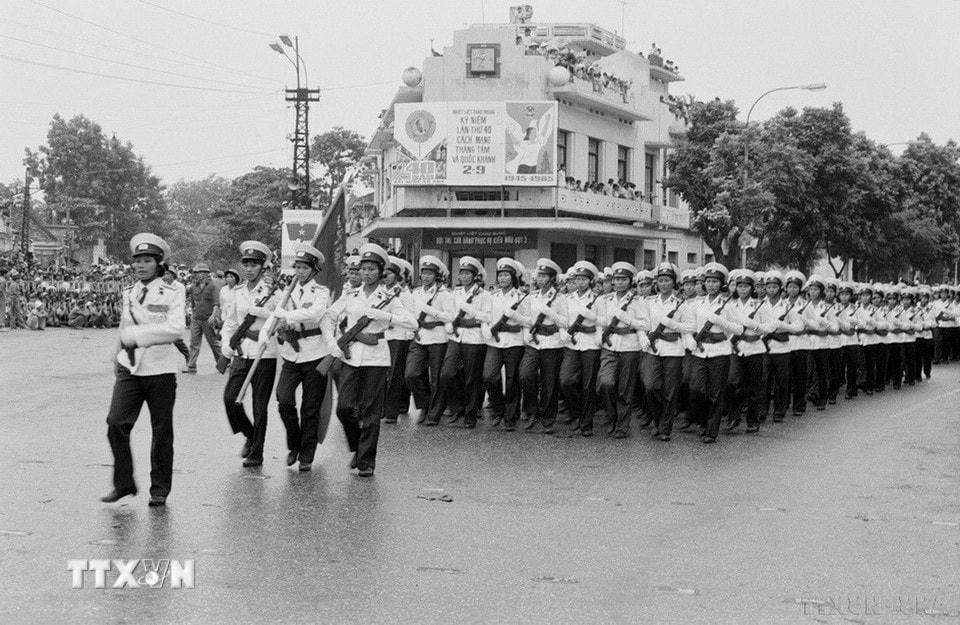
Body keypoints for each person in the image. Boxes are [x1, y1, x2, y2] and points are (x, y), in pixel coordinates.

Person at [101, 233, 185, 506]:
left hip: (160, 370)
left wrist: (138, 336)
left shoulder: (174, 292)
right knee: (116, 423)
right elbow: (124, 329)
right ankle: (124, 483)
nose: (140, 266)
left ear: (159, 263)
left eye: (147, 261)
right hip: (130, 368)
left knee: (161, 431)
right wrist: (116, 355)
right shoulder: (129, 293)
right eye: (137, 261)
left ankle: (159, 488)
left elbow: (174, 329)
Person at [321, 243, 415, 477]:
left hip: (376, 357)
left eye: (372, 269)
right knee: (344, 408)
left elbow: (412, 323)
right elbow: (329, 317)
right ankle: (357, 446)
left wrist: (384, 315)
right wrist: (332, 343)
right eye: (364, 268)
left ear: (381, 271)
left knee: (372, 413)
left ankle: (366, 462)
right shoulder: (350, 294)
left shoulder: (390, 297)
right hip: (351, 357)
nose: (367, 273)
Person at [269, 243, 330, 471]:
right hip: (291, 353)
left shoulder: (321, 292)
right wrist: (267, 332)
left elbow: (315, 313)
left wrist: (287, 314)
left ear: (314, 270)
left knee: (310, 408)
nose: (300, 271)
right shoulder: (287, 291)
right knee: (283, 399)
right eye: (298, 267)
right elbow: (275, 314)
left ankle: (307, 454)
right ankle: (294, 444)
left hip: (315, 352)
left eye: (305, 267)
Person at [221, 241, 281, 468]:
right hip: (240, 353)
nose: (248, 268)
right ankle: (249, 433)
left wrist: (265, 316)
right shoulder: (237, 292)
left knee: (259, 406)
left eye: (254, 264)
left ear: (262, 267)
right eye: (245, 264)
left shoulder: (273, 292)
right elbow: (231, 321)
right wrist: (227, 344)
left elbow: (279, 318)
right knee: (230, 398)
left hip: (263, 355)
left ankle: (257, 453)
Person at [688, 262, 743, 443]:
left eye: (715, 282)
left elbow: (739, 328)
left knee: (715, 392)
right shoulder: (697, 303)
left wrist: (722, 322)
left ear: (721, 284)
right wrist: (690, 339)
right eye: (709, 281)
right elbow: (690, 325)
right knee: (696, 389)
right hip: (700, 351)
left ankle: (711, 431)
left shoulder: (728, 304)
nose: (711, 285)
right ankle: (703, 421)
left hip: (719, 352)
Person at [641, 262, 694, 440]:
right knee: (650, 386)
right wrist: (643, 336)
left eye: (667, 280)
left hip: (673, 348)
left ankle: (665, 428)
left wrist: (673, 324)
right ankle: (658, 420)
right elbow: (643, 322)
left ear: (673, 283)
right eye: (661, 280)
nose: (663, 284)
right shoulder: (649, 302)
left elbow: (690, 326)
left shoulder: (681, 303)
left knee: (670, 391)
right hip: (653, 348)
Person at [517, 258, 568, 434]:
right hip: (533, 343)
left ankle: (548, 418)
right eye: (539, 276)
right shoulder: (531, 297)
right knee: (525, 375)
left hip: (552, 343)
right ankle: (532, 411)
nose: (540, 279)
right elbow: (524, 319)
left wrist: (551, 313)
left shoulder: (560, 298)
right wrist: (526, 336)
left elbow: (565, 321)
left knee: (550, 383)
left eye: (544, 276)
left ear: (552, 278)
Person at [596, 262, 645, 438]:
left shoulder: (637, 301)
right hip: (610, 345)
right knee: (605, 383)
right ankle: (611, 416)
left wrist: (628, 320)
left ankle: (622, 425)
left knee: (625, 388)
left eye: (624, 279)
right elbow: (599, 320)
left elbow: (646, 324)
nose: (620, 283)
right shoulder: (605, 300)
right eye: (617, 279)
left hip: (629, 346)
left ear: (630, 281)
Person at [404, 255, 454, 426]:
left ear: (436, 276)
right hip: (419, 335)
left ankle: (434, 413)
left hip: (438, 336)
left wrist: (431, 311)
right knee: (411, 374)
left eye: (429, 274)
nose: (425, 277)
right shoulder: (416, 293)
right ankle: (424, 405)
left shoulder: (444, 294)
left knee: (436, 378)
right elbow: (410, 313)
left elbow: (450, 316)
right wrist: (413, 328)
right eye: (423, 273)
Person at [480, 258, 526, 431]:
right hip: (494, 341)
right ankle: (498, 409)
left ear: (513, 277)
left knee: (512, 380)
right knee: (489, 376)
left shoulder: (522, 297)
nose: (502, 278)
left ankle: (510, 416)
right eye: (500, 275)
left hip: (514, 342)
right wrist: (486, 330)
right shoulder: (491, 297)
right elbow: (484, 316)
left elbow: (528, 321)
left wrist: (516, 318)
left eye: (506, 275)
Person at [444, 257, 490, 428]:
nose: (463, 276)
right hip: (457, 336)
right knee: (448, 372)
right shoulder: (455, 293)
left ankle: (470, 414)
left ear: (474, 275)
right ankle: (458, 407)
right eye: (461, 273)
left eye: (467, 273)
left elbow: (487, 316)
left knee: (472, 377)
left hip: (474, 337)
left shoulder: (483, 294)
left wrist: (472, 312)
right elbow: (450, 313)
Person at [559, 261, 602, 436]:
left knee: (588, 385)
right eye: (578, 279)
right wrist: (563, 332)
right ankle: (577, 413)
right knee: (566, 381)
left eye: (584, 279)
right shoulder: (566, 299)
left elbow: (603, 321)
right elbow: (561, 319)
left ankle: (586, 423)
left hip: (590, 344)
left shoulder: (598, 299)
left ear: (590, 281)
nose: (580, 282)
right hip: (571, 343)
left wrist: (593, 318)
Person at [382, 256, 415, 424]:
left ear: (396, 276)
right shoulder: (379, 291)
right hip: (382, 337)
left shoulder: (403, 294)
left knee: (395, 374)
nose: (386, 276)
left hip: (398, 337)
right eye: (384, 273)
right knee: (383, 373)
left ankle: (391, 411)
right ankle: (387, 406)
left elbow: (410, 317)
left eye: (390, 274)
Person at [183, 263, 221, 373]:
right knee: (194, 342)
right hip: (196, 318)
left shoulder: (213, 286)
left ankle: (222, 363)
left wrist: (213, 316)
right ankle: (191, 365)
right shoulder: (193, 286)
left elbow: (216, 303)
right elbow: (193, 301)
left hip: (208, 318)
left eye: (199, 272)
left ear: (205, 274)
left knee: (213, 342)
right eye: (196, 273)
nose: (196, 275)